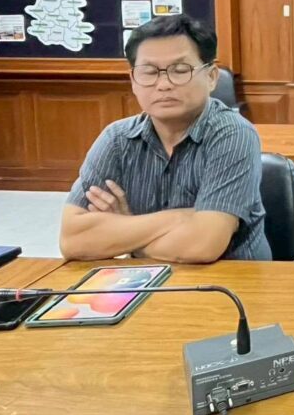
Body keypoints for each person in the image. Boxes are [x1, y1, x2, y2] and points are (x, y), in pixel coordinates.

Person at [59, 15, 271, 263]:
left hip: (230, 280)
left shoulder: (233, 134)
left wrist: (126, 233)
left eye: (180, 71)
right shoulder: (116, 140)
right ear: (133, 81)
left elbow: (202, 246)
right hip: (141, 279)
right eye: (149, 72)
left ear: (211, 77)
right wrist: (182, 217)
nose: (163, 84)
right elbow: (73, 241)